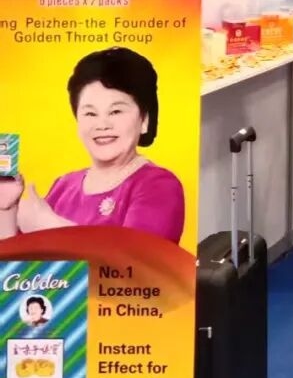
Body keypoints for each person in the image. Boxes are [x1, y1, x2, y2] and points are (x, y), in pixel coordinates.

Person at [0, 48, 185, 244]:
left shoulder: (159, 186)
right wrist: (6, 208)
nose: (102, 125)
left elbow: (137, 258)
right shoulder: (64, 185)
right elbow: (16, 258)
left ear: (144, 119)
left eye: (115, 111)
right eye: (90, 113)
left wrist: (50, 226)